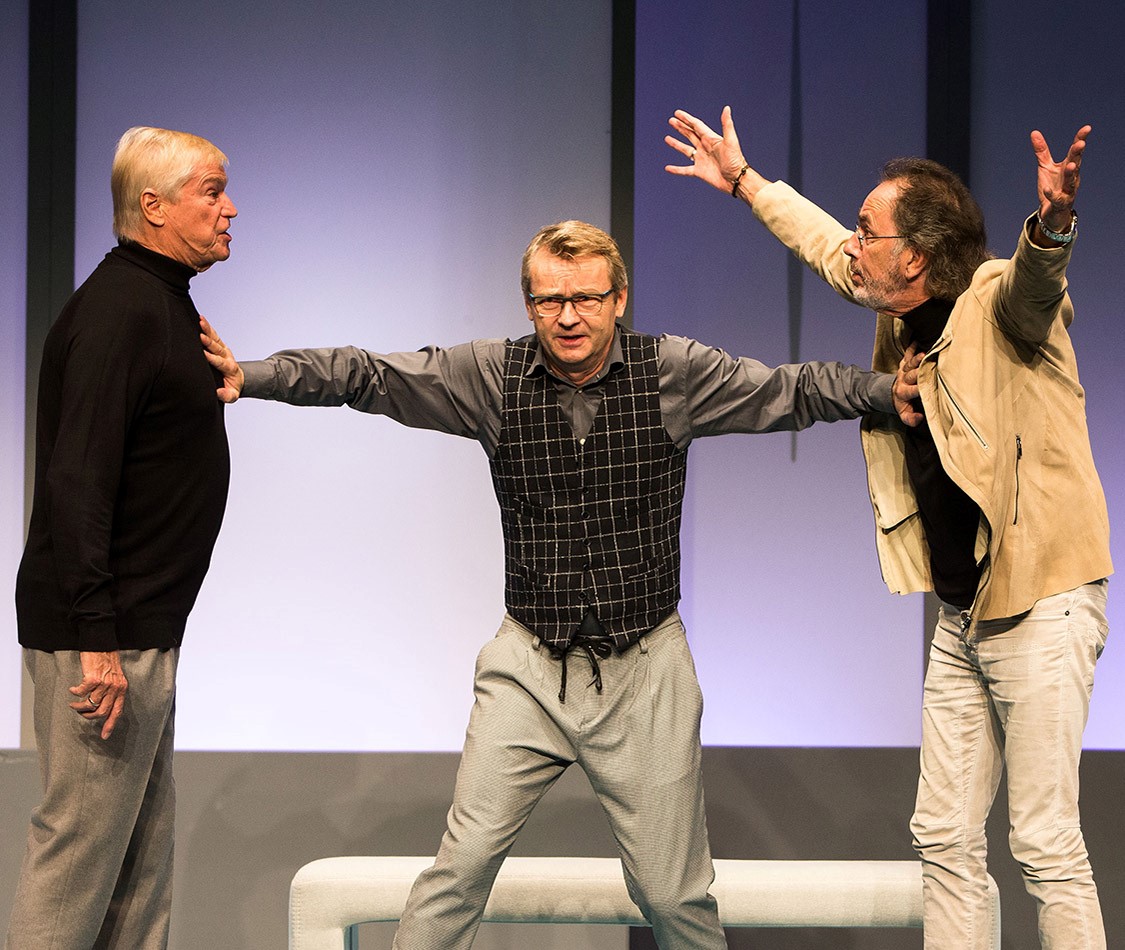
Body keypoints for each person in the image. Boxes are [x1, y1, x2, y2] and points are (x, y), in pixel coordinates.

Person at [199, 218, 918, 949]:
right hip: (529, 664)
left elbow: (790, 389)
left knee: (672, 896)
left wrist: (882, 391)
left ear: (618, 299)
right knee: (459, 872)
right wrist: (254, 376)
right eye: (549, 301)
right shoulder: (491, 377)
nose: (568, 317)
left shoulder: (671, 372)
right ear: (529, 304)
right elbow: (369, 376)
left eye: (586, 298)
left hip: (644, 667)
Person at [665, 106, 1112, 949]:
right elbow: (821, 244)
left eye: (868, 231)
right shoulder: (897, 307)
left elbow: (1034, 282)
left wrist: (1052, 225)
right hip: (964, 612)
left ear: (914, 255)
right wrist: (744, 182)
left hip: (1042, 601)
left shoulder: (995, 300)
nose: (854, 243)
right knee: (942, 837)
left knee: (1043, 844)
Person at [7, 126, 237, 950]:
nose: (229, 209)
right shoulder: (120, 311)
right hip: (105, 639)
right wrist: (96, 639)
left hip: (140, 629)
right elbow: (77, 481)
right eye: (212, 191)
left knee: (137, 874)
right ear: (154, 206)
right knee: (77, 864)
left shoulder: (160, 301)